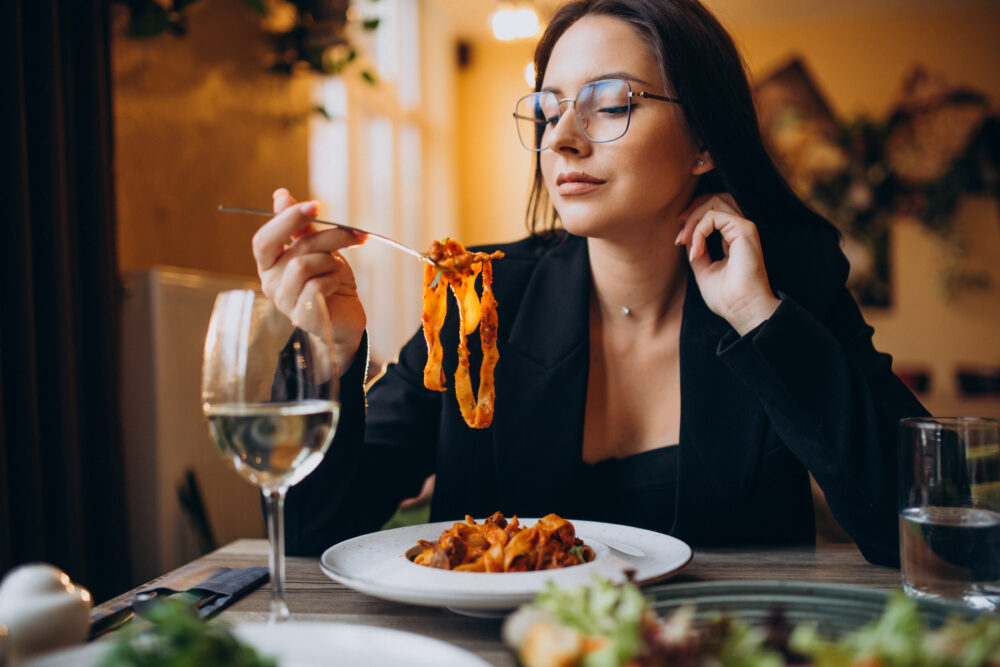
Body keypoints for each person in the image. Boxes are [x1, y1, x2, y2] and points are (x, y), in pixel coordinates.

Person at [251, 0, 926, 567]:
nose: (562, 138)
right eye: (548, 108)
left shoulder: (788, 283)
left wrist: (757, 314)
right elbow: (315, 539)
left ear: (704, 143)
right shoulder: (481, 298)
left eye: (609, 104)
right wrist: (326, 359)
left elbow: (917, 529)